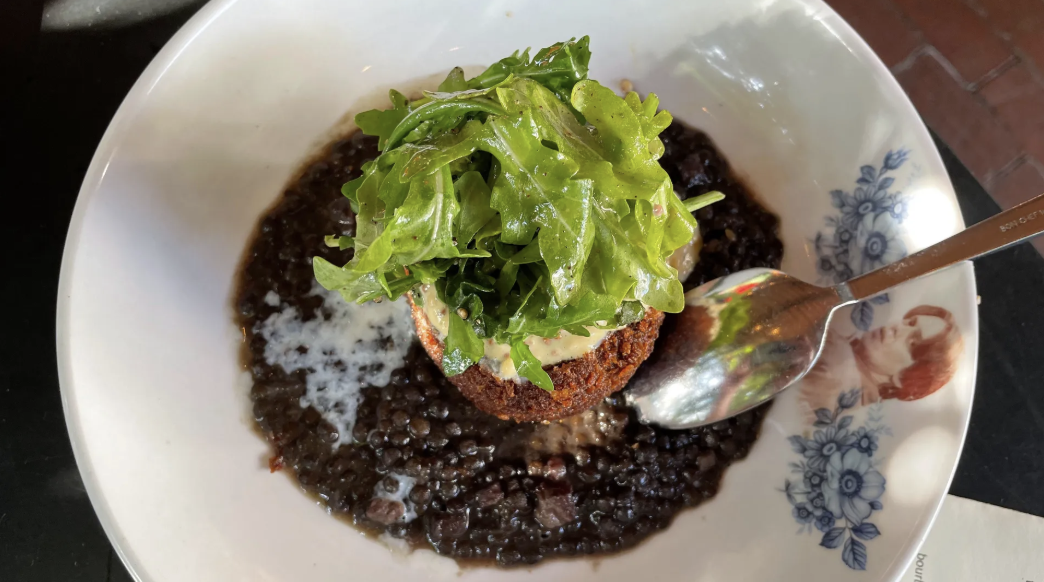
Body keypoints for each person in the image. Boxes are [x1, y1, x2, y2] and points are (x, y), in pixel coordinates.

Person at [799, 305, 963, 416]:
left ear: (905, 378)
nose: (896, 328)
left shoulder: (835, 360)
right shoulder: (856, 402)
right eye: (910, 322)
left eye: (912, 343)